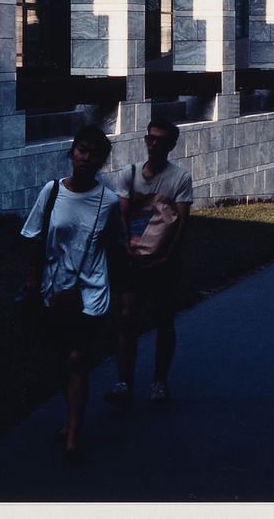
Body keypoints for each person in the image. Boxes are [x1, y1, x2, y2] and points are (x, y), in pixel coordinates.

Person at [21, 122, 121, 463]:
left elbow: (116, 247)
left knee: (78, 359)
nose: (86, 157)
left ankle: (74, 432)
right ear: (71, 152)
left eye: (95, 153)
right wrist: (33, 284)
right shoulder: (51, 193)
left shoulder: (108, 202)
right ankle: (71, 417)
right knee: (64, 360)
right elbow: (33, 238)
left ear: (102, 160)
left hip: (91, 292)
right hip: (55, 289)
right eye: (81, 150)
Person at [103, 118, 194, 409]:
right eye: (150, 138)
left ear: (171, 145)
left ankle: (158, 381)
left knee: (164, 321)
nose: (154, 144)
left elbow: (181, 223)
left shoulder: (180, 178)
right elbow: (123, 217)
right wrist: (127, 248)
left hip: (164, 261)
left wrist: (168, 255)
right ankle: (124, 383)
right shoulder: (129, 174)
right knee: (128, 317)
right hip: (132, 260)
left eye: (161, 140)